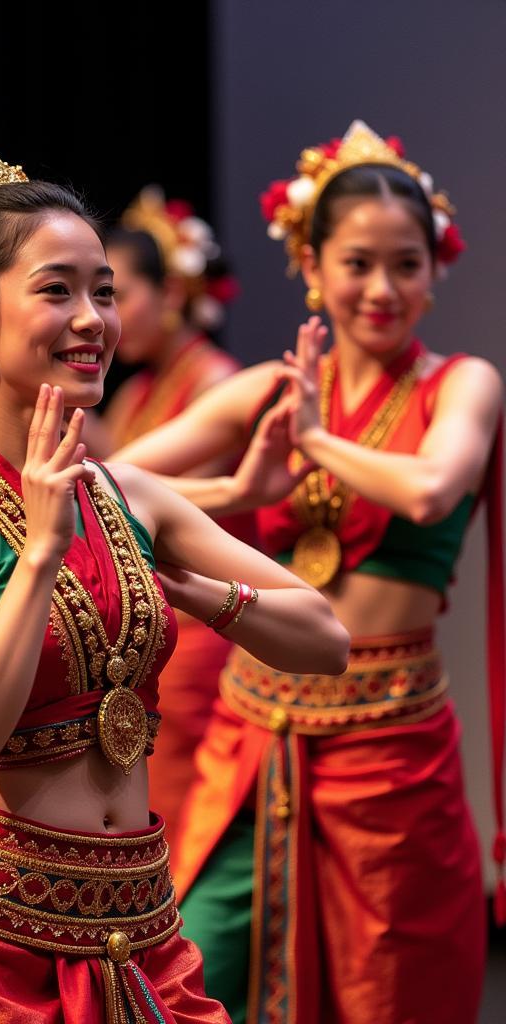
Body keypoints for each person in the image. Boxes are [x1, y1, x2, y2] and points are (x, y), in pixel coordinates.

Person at [0, 136, 349, 1024]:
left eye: (103, 291)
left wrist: (202, 595)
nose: (92, 318)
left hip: (141, 933)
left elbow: (325, 638)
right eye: (56, 290)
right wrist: (36, 555)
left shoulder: (131, 493)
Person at [114, 121, 504, 1024]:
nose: (381, 288)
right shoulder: (264, 393)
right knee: (200, 969)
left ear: (435, 271)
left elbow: (432, 490)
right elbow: (115, 478)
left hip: (391, 741)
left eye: (406, 264)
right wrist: (241, 485)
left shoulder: (462, 385)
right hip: (252, 734)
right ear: (313, 266)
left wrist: (320, 440)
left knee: (390, 989)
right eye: (357, 263)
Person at [101, 189, 248, 839]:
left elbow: (172, 515)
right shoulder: (134, 391)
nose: (109, 315)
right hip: (153, 631)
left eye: (117, 294)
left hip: (200, 630)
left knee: (181, 824)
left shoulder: (215, 381)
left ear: (174, 293)